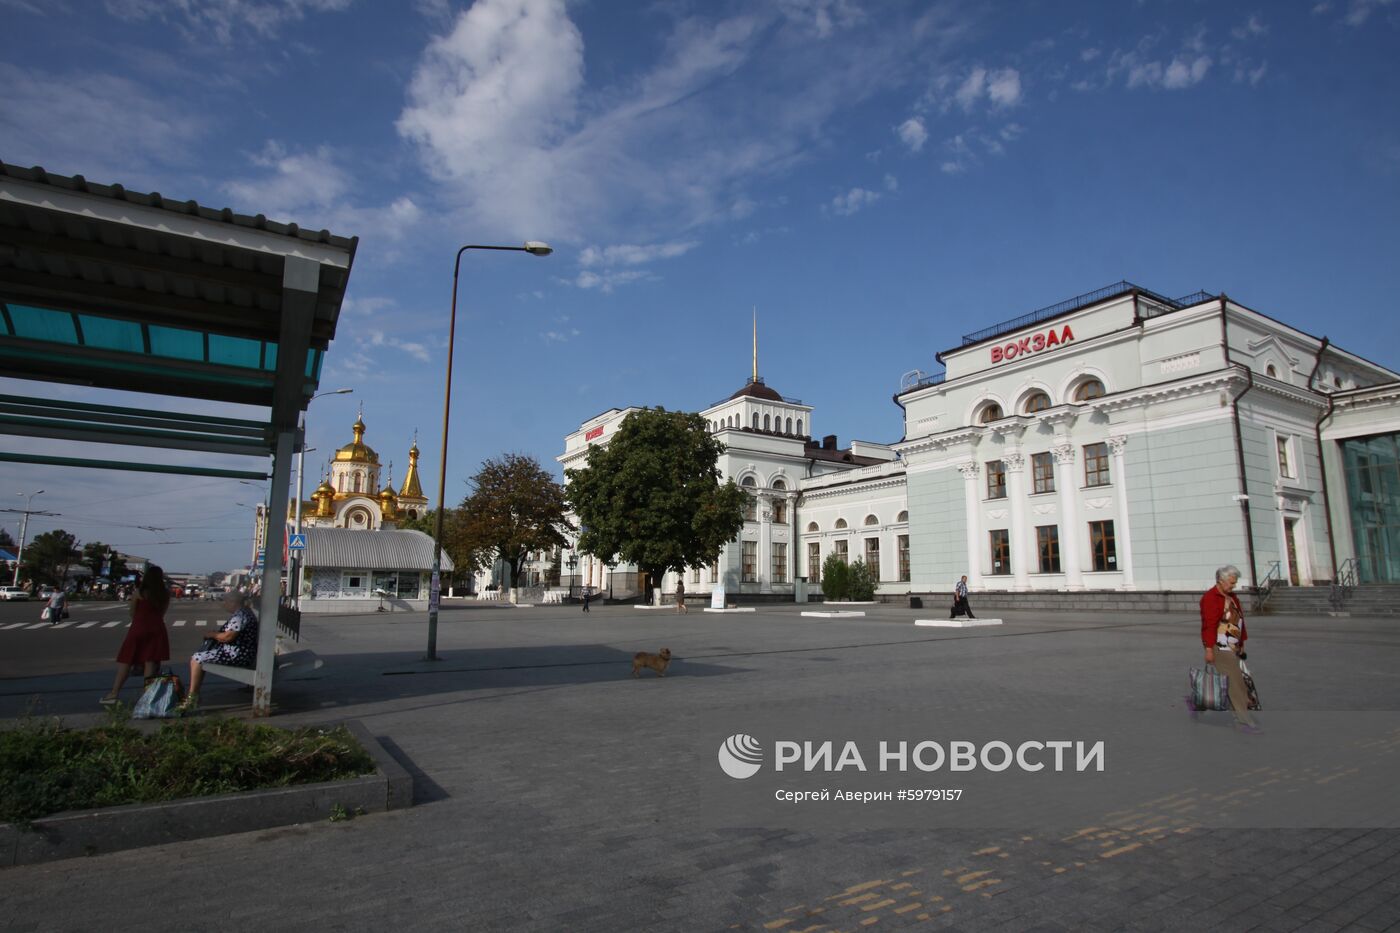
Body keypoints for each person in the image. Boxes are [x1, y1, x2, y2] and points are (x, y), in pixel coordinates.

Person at [178, 589, 259, 714]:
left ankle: (192, 697)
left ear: (233, 602)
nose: (224, 604)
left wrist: (212, 634)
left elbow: (228, 637)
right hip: (243, 652)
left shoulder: (240, 616)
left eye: (226, 602)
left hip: (237, 654)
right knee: (201, 656)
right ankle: (193, 695)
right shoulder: (244, 613)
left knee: (197, 659)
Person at [100, 565, 171, 705]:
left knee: (127, 660)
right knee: (150, 661)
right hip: (157, 627)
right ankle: (147, 696)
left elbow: (132, 612)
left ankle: (113, 693)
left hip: (138, 627)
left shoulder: (139, 592)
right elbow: (163, 612)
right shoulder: (165, 593)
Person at [1199, 564, 1258, 730]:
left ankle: (1237, 713)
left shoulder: (1232, 597)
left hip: (1234, 647)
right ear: (1220, 580)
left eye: (1235, 582)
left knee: (1242, 681)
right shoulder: (1211, 598)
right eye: (1231, 583)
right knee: (1235, 683)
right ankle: (1243, 718)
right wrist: (1209, 648)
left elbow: (1239, 621)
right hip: (1220, 646)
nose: (1234, 586)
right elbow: (1208, 625)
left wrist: (1242, 643)